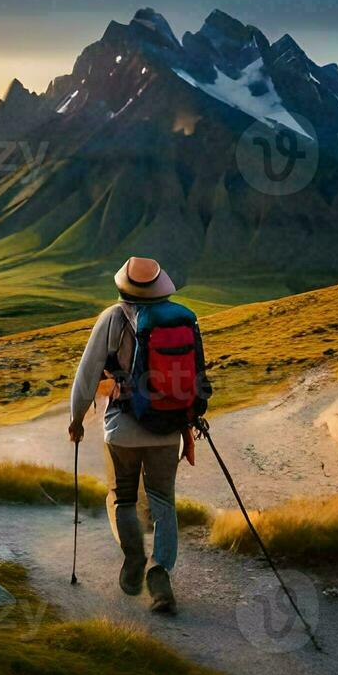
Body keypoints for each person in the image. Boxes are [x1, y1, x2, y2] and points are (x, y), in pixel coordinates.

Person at [67, 257, 211, 614]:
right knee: (163, 501)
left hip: (122, 430)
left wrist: (76, 419)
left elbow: (86, 377)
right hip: (168, 429)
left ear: (122, 287)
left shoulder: (112, 319)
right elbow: (195, 375)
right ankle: (160, 575)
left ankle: (134, 557)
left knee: (123, 497)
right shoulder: (182, 319)